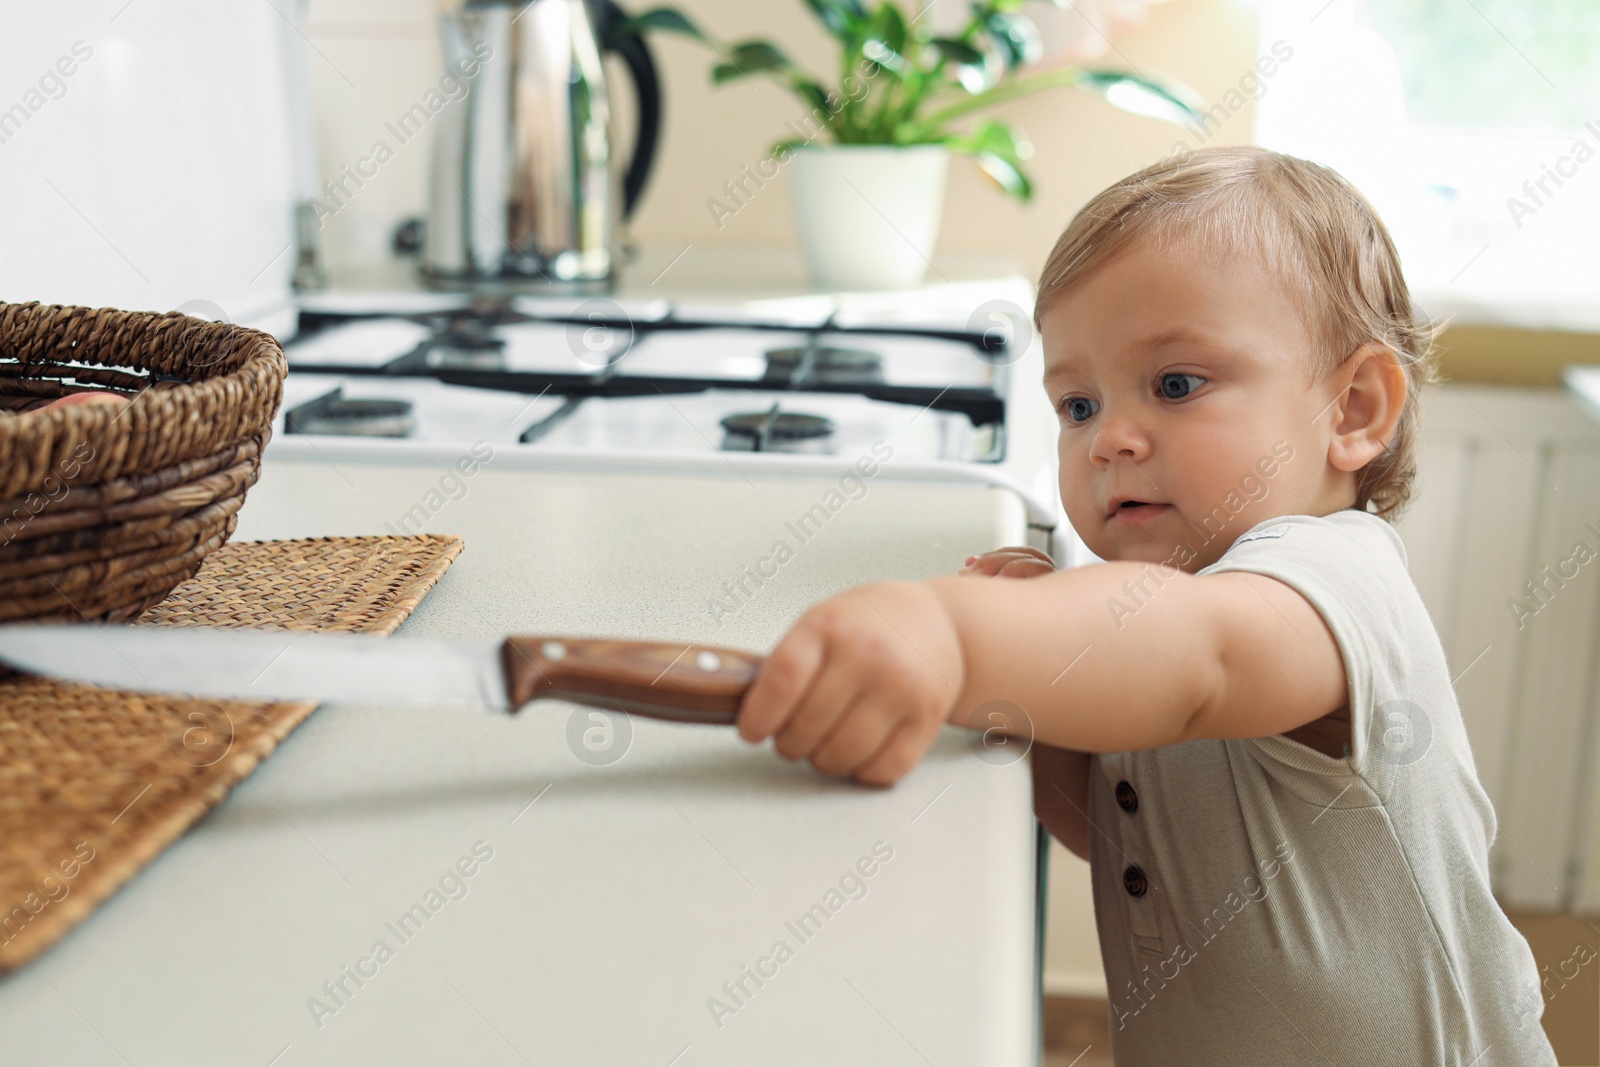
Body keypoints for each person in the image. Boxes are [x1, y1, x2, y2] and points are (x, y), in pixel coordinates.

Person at [734, 145, 1557, 1065]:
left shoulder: (1333, 583)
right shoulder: (1158, 625)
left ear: (1354, 408)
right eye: (1077, 403)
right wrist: (1030, 700)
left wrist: (950, 633)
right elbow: (1122, 835)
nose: (1109, 440)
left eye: (1175, 384)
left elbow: (1201, 658)